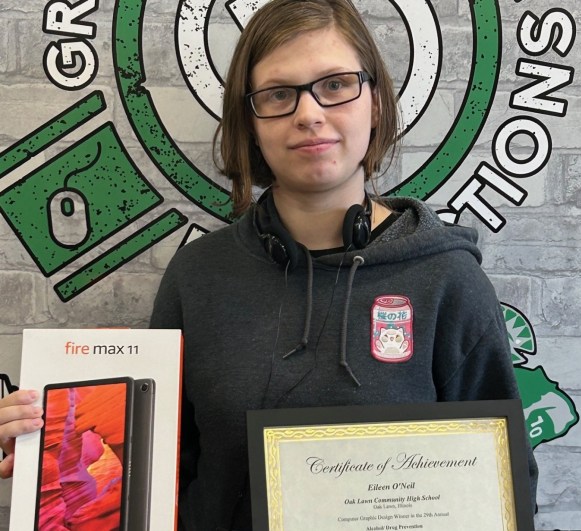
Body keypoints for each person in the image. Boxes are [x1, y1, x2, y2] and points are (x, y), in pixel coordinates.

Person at [0, 0, 537, 529]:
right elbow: (155, 472)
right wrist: (53, 463)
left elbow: (504, 486)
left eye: (335, 85)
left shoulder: (446, 278)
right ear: (250, 122)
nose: (309, 114)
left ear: (375, 102)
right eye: (279, 94)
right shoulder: (198, 276)